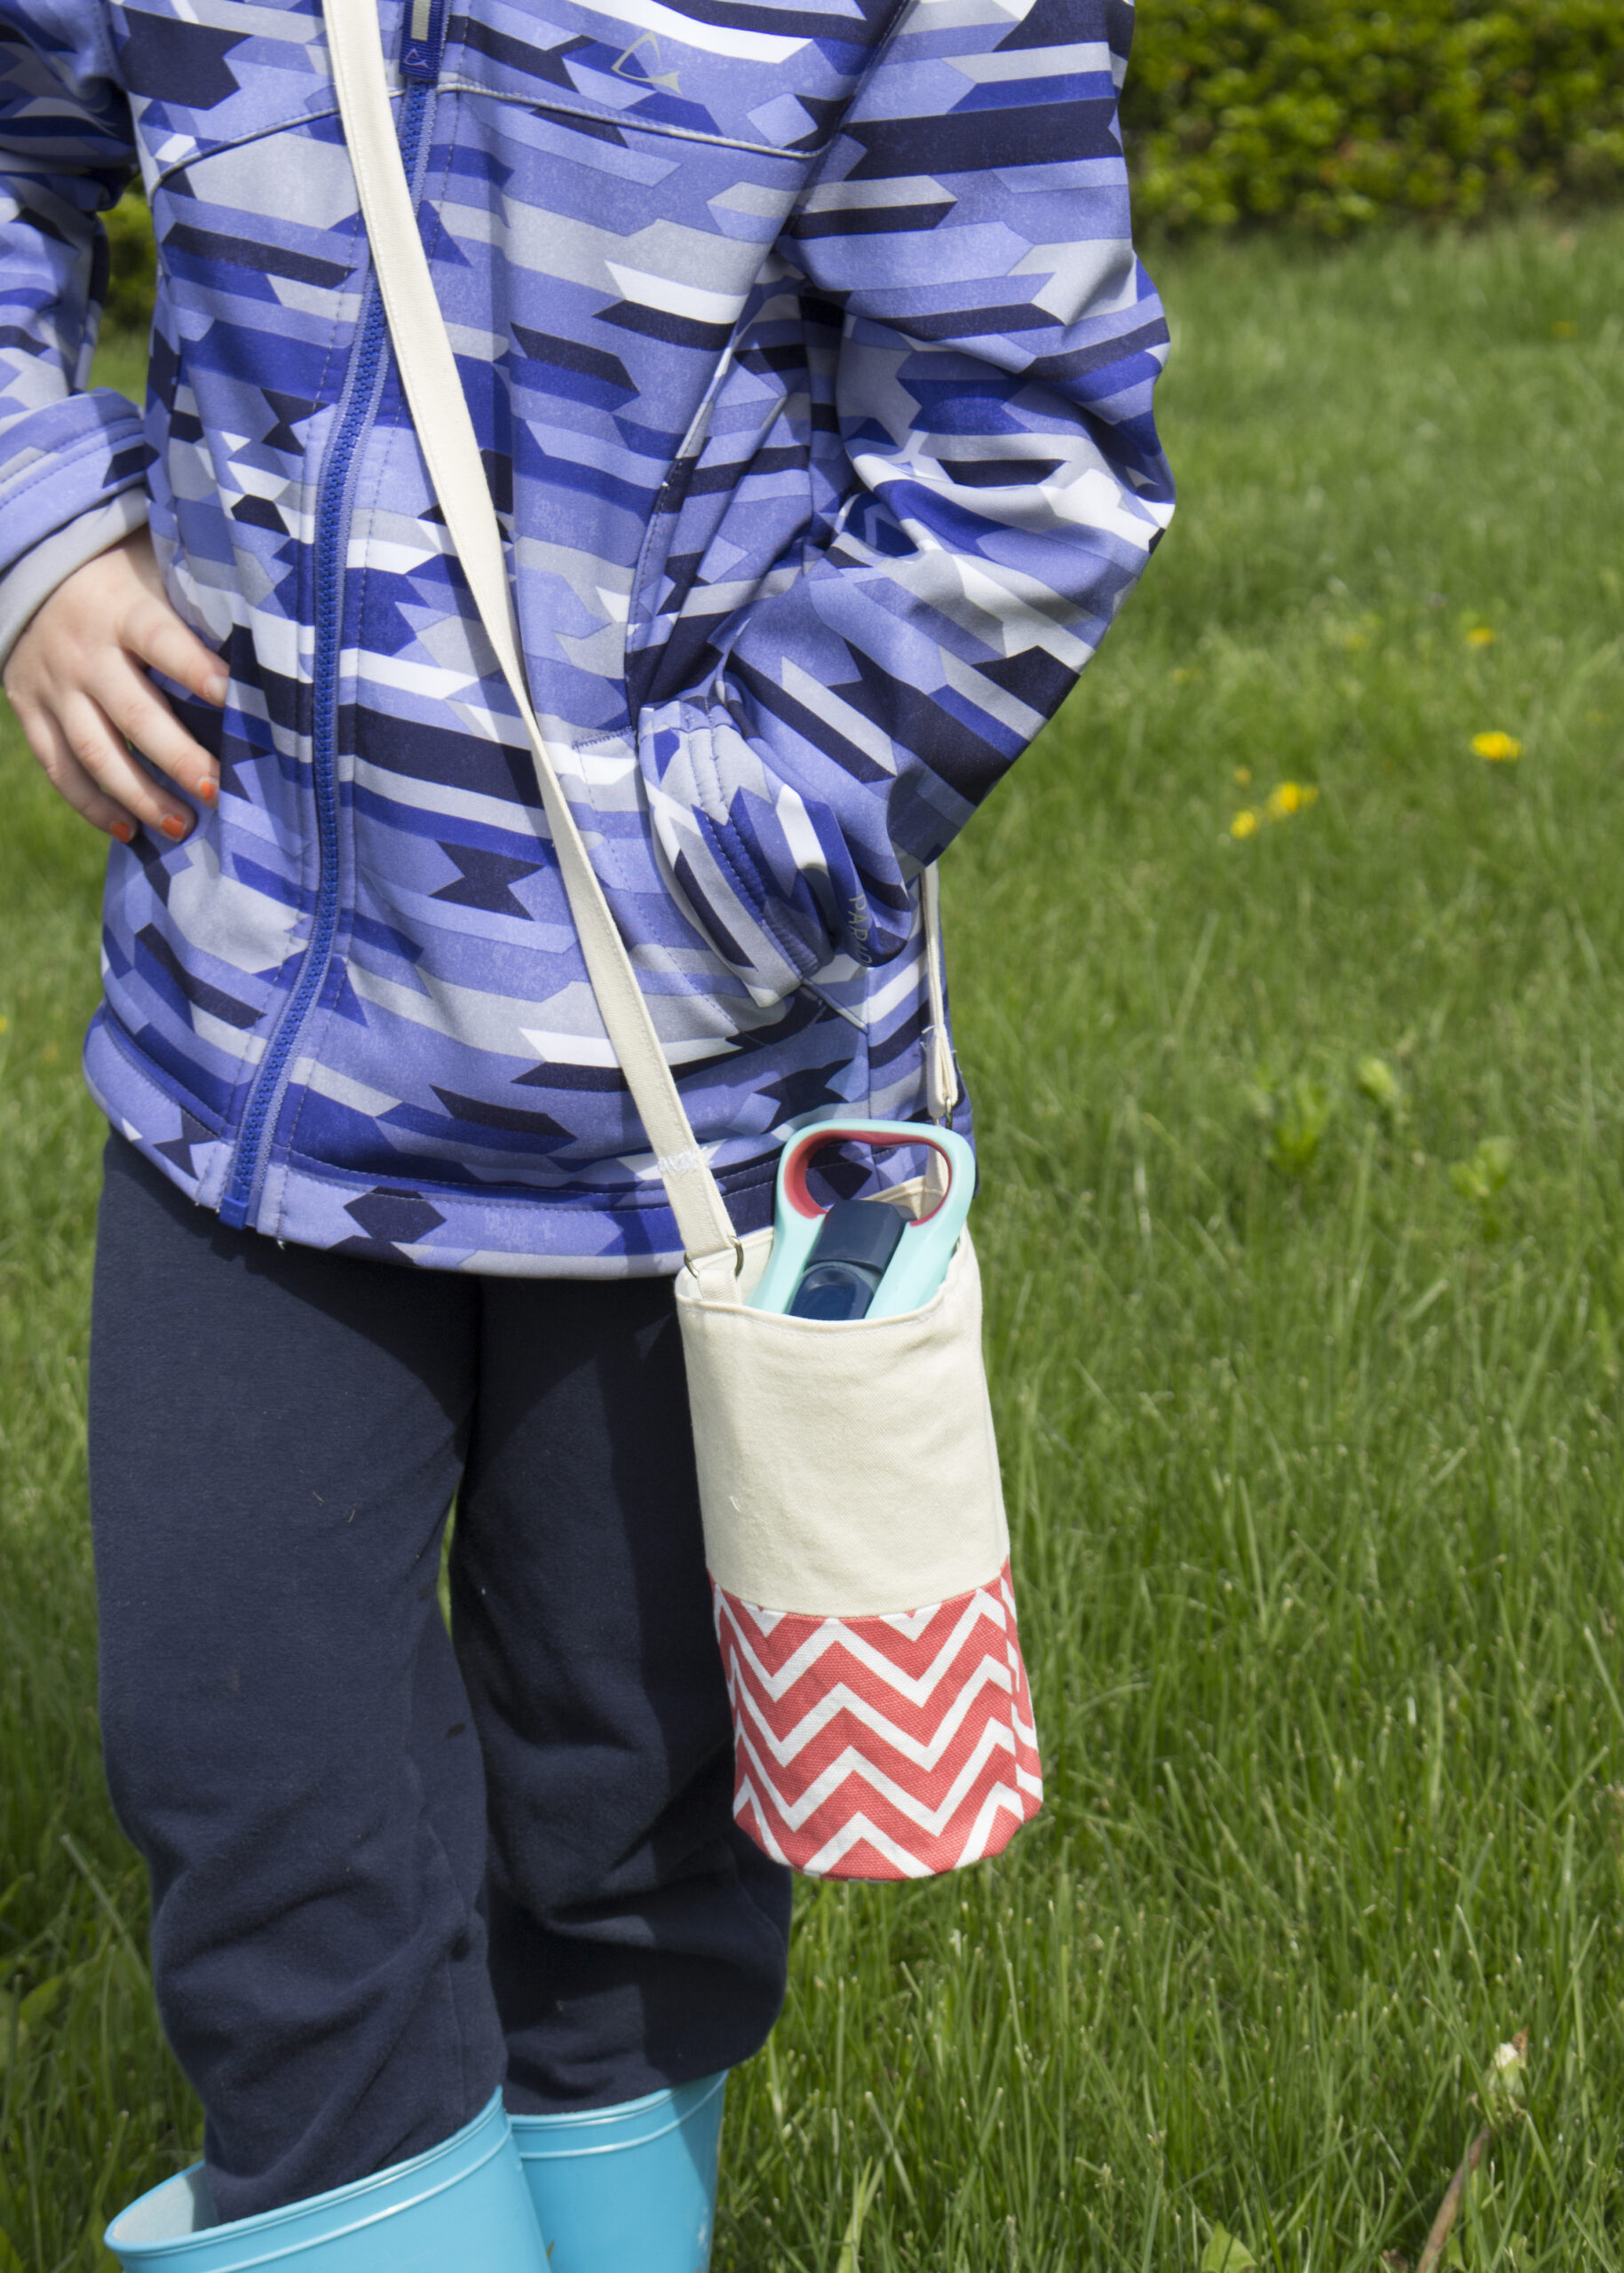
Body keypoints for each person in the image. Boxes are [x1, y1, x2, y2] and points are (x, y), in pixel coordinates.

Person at [0, 0, 1174, 2261]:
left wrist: (697, 876)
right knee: (267, 1831)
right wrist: (43, 524)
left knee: (639, 1841)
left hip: (693, 1122)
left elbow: (1025, 457)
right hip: (253, 1082)